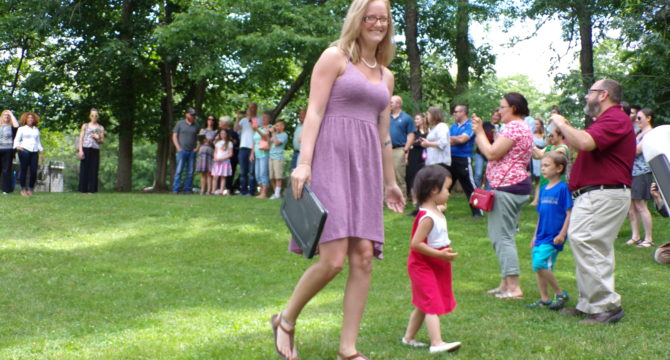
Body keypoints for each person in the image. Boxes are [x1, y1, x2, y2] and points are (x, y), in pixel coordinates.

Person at [274, 1, 405, 359]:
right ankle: (285, 320)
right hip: (330, 157)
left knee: (363, 256)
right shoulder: (334, 57)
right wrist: (303, 163)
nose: (378, 23)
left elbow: (384, 134)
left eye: (383, 18)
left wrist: (391, 182)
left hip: (365, 165)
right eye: (371, 17)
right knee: (332, 259)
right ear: (358, 20)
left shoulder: (386, 75)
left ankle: (347, 349)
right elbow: (314, 111)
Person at [551, 79, 635, 324]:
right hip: (597, 193)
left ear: (603, 94)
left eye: (590, 92)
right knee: (591, 245)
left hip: (603, 193)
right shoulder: (608, 121)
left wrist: (562, 123)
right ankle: (590, 304)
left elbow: (585, 142)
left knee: (586, 241)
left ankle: (606, 306)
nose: (586, 97)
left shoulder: (615, 118)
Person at [472, 92, 533, 300]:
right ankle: (505, 283)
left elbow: (491, 153)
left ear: (513, 109)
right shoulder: (522, 126)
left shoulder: (515, 126)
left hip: (508, 187)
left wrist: (480, 132)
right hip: (515, 186)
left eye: (502, 107)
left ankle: (513, 287)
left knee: (503, 237)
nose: (499, 111)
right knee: (504, 235)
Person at [402, 165, 461, 354]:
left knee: (423, 304)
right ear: (434, 190)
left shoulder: (435, 209)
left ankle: (408, 338)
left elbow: (439, 206)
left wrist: (440, 205)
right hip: (423, 265)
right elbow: (416, 243)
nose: (449, 194)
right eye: (446, 189)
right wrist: (440, 255)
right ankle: (436, 343)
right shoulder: (427, 217)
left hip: (436, 264)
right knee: (431, 302)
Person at [526, 152, 572, 310]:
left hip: (553, 237)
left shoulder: (563, 188)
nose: (543, 169)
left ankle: (560, 293)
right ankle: (544, 299)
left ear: (559, 168)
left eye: (547, 166)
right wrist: (534, 235)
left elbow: (569, 213)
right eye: (542, 165)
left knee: (540, 263)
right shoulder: (544, 189)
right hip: (541, 235)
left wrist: (562, 234)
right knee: (538, 267)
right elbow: (541, 215)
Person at [626, 108, 654, 247]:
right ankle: (635, 236)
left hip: (642, 172)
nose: (637, 120)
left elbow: (637, 150)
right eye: (636, 118)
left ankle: (648, 239)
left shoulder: (650, 133)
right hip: (632, 172)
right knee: (631, 206)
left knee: (641, 206)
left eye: (640, 118)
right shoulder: (639, 133)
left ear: (648, 118)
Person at [449, 104, 482, 218]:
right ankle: (437, 209)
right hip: (450, 159)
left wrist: (454, 139)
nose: (454, 114)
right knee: (445, 185)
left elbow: (464, 139)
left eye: (456, 111)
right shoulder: (453, 127)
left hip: (463, 159)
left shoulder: (470, 125)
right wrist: (456, 139)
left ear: (463, 112)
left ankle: (477, 212)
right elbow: (447, 140)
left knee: (469, 187)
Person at [390, 95, 416, 199]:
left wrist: (405, 149)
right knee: (385, 175)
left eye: (391, 102)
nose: (389, 104)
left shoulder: (406, 118)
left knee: (399, 175)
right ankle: (385, 200)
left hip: (399, 149)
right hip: (386, 150)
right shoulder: (386, 117)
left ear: (398, 104)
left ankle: (401, 199)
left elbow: (411, 135)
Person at [14, 112, 44, 196]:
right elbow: (16, 140)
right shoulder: (22, 129)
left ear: (34, 119)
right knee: (23, 170)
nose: (30, 119)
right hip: (24, 151)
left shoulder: (36, 129)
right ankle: (23, 189)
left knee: (34, 171)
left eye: (32, 118)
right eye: (28, 118)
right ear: (25, 119)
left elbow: (38, 142)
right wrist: (18, 147)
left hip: (34, 152)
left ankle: (30, 188)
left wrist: (41, 151)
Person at [172, 108, 200, 194]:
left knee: (190, 172)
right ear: (186, 114)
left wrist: (197, 148)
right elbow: (174, 136)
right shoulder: (180, 124)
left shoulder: (196, 125)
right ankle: (175, 190)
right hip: (182, 151)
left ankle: (187, 190)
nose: (193, 117)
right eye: (191, 115)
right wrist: (178, 147)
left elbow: (199, 138)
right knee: (179, 171)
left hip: (192, 151)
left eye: (194, 115)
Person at [77, 108, 105, 193]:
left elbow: (102, 141)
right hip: (85, 148)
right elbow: (81, 138)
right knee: (84, 169)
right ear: (90, 116)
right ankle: (83, 189)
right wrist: (80, 150)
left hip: (95, 149)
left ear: (98, 117)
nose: (94, 117)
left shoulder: (100, 127)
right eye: (92, 115)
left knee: (93, 169)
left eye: (96, 115)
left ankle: (92, 190)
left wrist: (98, 138)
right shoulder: (85, 126)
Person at [234, 103, 258, 196]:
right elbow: (236, 129)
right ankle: (243, 191)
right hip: (243, 147)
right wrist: (238, 118)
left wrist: (251, 119)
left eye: (253, 108)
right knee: (243, 171)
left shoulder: (257, 119)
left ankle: (251, 191)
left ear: (256, 109)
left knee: (252, 171)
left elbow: (255, 129)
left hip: (253, 147)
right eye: (249, 107)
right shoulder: (243, 120)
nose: (251, 109)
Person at [473, 109, 498, 189]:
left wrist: (496, 138)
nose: (495, 117)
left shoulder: (500, 128)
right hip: (480, 153)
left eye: (497, 115)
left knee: (489, 176)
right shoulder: (485, 124)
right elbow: (477, 136)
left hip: (491, 154)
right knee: (478, 174)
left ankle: (487, 195)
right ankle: (477, 191)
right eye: (494, 114)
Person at [405, 113, 428, 197]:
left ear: (423, 119)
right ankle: (411, 194)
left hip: (423, 155)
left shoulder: (428, 131)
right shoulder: (413, 131)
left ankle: (422, 193)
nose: (416, 121)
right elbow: (408, 143)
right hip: (413, 154)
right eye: (415, 119)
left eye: (418, 119)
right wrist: (406, 157)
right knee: (411, 174)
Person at [252, 111, 272, 199]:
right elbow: (254, 142)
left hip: (264, 153)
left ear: (269, 119)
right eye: (262, 117)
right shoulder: (259, 128)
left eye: (265, 117)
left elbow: (265, 137)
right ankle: (262, 192)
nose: (263, 119)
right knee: (257, 175)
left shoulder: (270, 127)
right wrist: (252, 153)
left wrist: (256, 129)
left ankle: (264, 193)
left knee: (263, 173)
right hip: (257, 154)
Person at [196, 116, 217, 195]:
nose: (210, 121)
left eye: (212, 120)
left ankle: (209, 190)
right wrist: (197, 149)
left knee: (209, 172)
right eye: (209, 119)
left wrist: (209, 141)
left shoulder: (215, 131)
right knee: (203, 172)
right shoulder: (202, 130)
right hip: (202, 150)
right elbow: (199, 141)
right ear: (207, 120)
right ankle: (202, 190)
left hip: (210, 150)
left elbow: (215, 144)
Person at [219, 116, 240, 195]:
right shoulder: (219, 132)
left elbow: (236, 142)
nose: (219, 123)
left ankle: (228, 189)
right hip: (220, 156)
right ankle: (219, 188)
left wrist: (231, 140)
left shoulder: (232, 132)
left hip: (231, 157)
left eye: (220, 121)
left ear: (225, 123)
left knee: (230, 173)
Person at [0, 110, 19, 194]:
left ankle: (6, 189)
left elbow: (16, 125)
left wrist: (11, 113)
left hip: (8, 149)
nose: (6, 117)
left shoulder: (11, 126)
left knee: (6, 170)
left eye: (8, 116)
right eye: (5, 115)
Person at [269, 120, 288, 200]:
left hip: (278, 158)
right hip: (271, 157)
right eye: (275, 125)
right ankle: (276, 193)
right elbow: (269, 142)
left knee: (278, 177)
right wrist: (268, 132)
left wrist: (273, 133)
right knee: (271, 177)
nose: (276, 127)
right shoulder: (275, 134)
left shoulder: (284, 135)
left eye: (277, 126)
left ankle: (277, 194)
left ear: (282, 126)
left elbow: (276, 143)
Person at [211, 130, 233, 195]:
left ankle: (221, 191)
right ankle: (213, 190)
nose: (222, 134)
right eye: (221, 133)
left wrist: (222, 159)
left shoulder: (229, 143)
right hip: (217, 162)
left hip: (225, 162)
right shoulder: (217, 143)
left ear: (226, 134)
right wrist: (215, 158)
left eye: (224, 133)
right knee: (215, 176)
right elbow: (215, 152)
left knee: (223, 177)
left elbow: (230, 154)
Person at [529, 118, 546, 206]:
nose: (535, 126)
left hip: (541, 158)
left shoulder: (544, 135)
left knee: (538, 180)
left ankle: (536, 199)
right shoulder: (530, 134)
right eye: (534, 124)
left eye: (537, 124)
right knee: (531, 178)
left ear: (540, 125)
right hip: (532, 158)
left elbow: (546, 146)